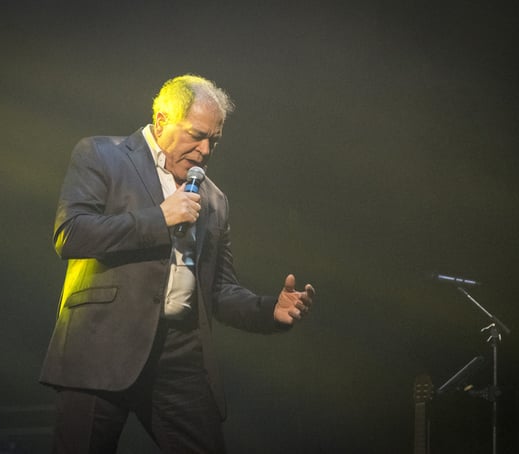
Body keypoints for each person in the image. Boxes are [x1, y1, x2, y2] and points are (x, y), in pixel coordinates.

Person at [39, 74, 316, 453]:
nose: (205, 150)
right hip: (102, 344)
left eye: (214, 141)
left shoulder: (214, 199)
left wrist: (270, 311)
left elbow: (219, 291)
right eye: (197, 136)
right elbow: (71, 233)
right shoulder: (102, 154)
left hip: (180, 353)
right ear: (161, 120)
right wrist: (160, 218)